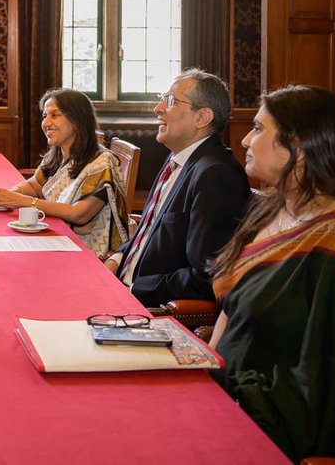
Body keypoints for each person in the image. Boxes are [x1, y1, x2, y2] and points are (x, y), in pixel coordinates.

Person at [210, 85, 335, 461]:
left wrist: (226, 398)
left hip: (273, 423)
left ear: (297, 146)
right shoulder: (272, 209)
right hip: (225, 392)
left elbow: (319, 391)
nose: (247, 139)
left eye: (259, 128)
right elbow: (231, 308)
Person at [104, 68, 250, 306]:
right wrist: (116, 260)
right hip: (122, 283)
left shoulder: (216, 174)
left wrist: (132, 290)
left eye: (170, 101)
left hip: (149, 306)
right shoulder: (179, 158)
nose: (158, 108)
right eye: (161, 99)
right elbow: (149, 231)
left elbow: (206, 277)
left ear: (202, 117)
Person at [0, 88, 129, 258]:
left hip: (87, 251)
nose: (46, 123)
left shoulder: (102, 163)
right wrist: (7, 195)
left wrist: (21, 201)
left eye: (55, 115)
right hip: (59, 238)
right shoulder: (59, 154)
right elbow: (34, 185)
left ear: (77, 120)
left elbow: (78, 214)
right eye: (45, 116)